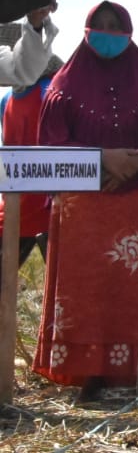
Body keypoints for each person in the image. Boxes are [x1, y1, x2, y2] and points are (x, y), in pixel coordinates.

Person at [33, 1, 138, 400]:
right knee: (87, 290)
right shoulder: (63, 88)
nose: (106, 32)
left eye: (114, 26)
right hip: (85, 206)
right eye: (98, 26)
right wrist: (103, 159)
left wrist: (136, 163)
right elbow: (51, 144)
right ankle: (90, 374)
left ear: (130, 32)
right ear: (84, 32)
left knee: (137, 290)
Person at [0, 51, 61, 281]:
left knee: (63, 286)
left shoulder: (48, 94)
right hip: (22, 204)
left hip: (46, 206)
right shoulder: (7, 100)